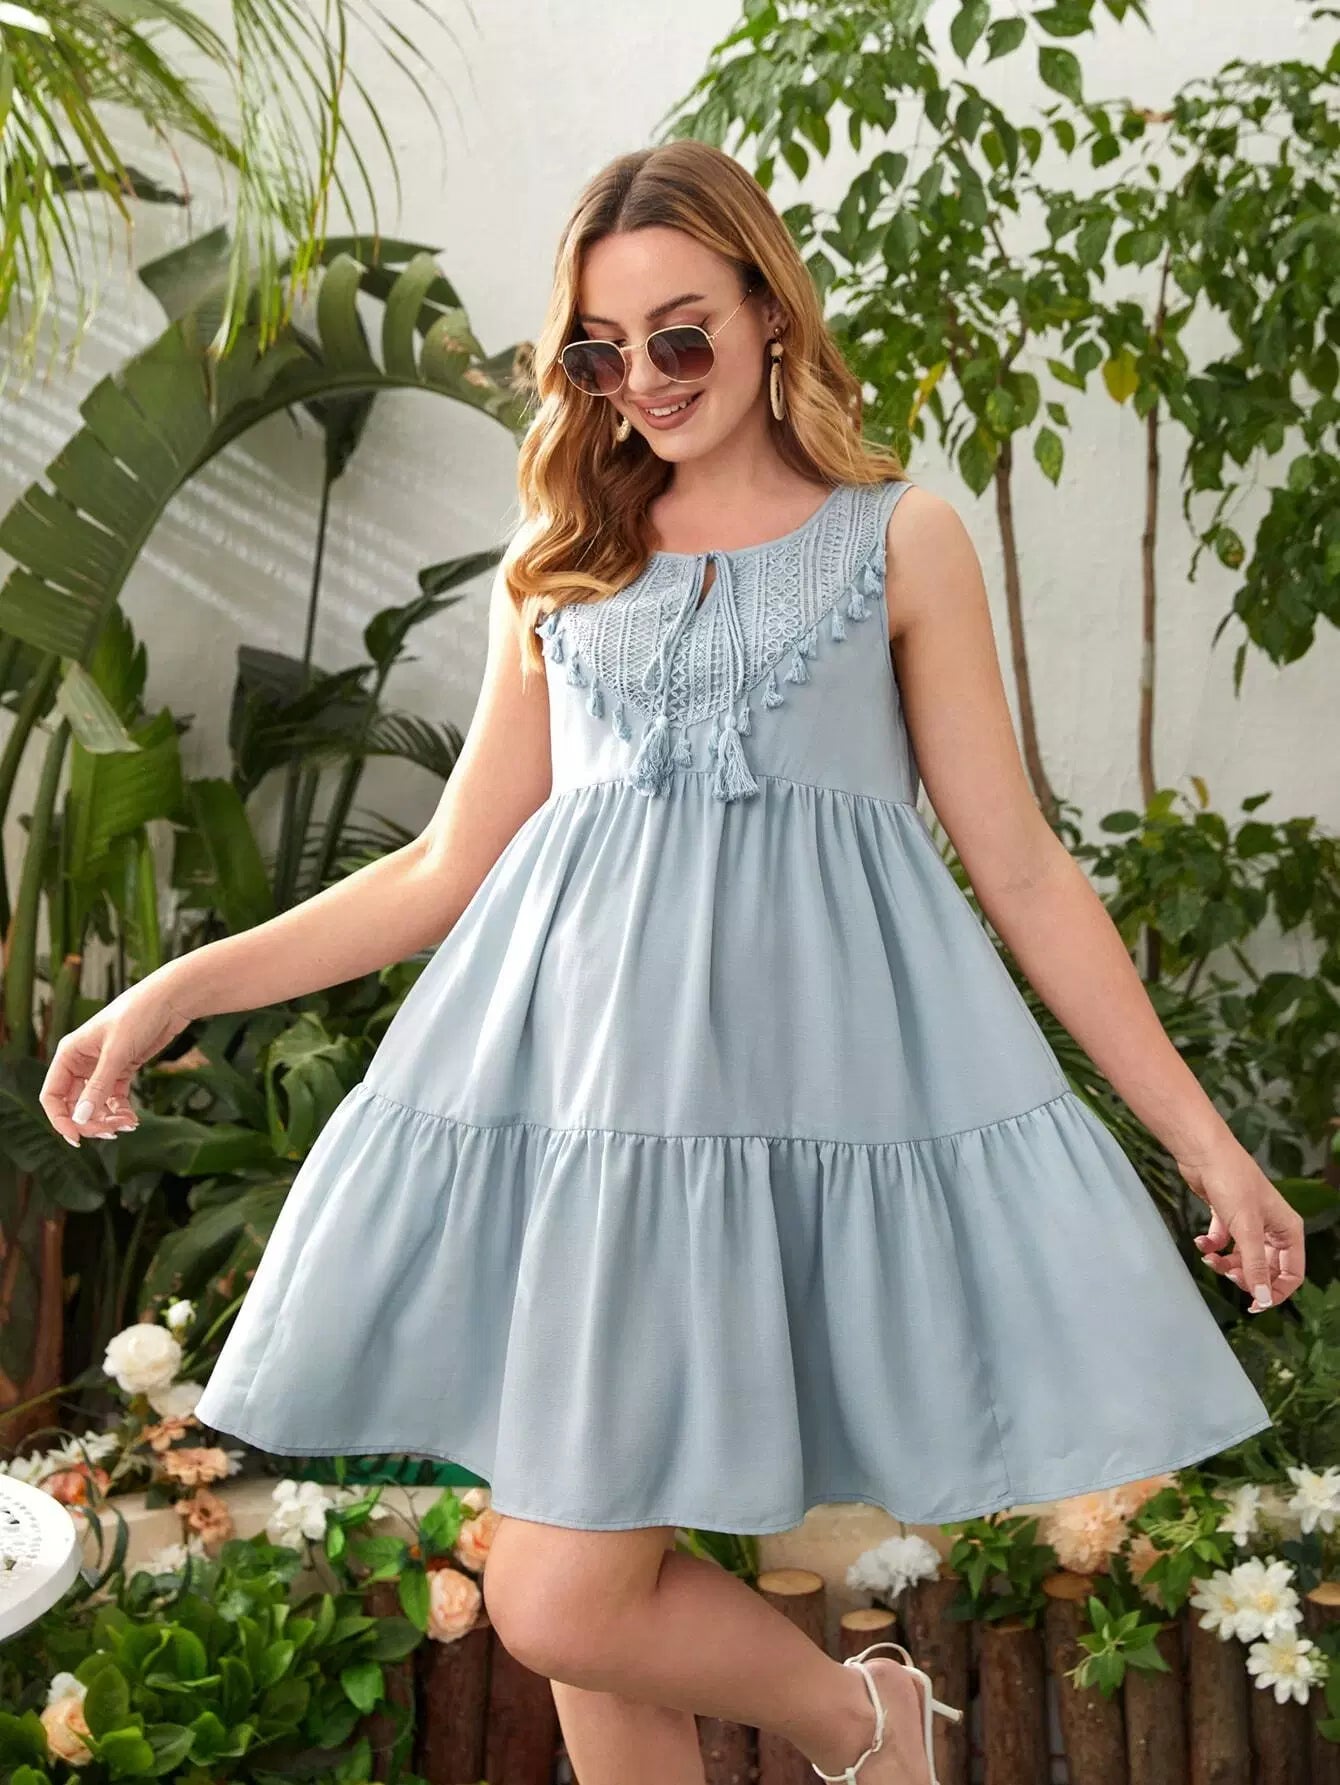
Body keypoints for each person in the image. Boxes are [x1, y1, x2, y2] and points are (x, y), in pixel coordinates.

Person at [40, 140, 1299, 1785]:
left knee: (560, 1595)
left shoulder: (898, 541)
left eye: (682, 333)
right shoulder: (561, 559)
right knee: (575, 1597)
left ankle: (868, 1720)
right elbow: (441, 867)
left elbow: (1022, 871)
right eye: (600, 350)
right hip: (581, 1130)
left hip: (783, 1129)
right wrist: (174, 987)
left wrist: (1203, 1142)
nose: (644, 378)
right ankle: (872, 1727)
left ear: (773, 312)